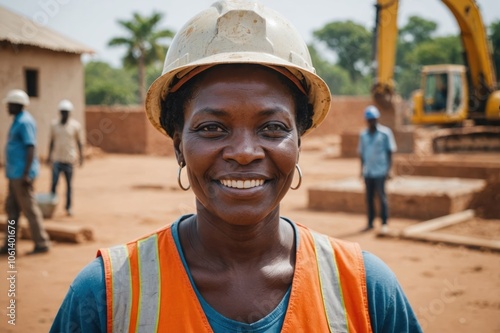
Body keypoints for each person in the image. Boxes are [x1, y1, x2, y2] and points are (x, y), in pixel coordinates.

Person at [50, 1, 422, 332]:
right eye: (212, 128)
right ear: (179, 146)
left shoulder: (366, 290)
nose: (244, 152)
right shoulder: (107, 297)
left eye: (272, 128)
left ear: (299, 143)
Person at [1, 89, 51, 255]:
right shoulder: (18, 120)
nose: (7, 107)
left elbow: (31, 147)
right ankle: (10, 244)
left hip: (21, 174)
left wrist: (26, 173)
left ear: (17, 105)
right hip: (14, 173)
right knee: (12, 209)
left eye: (9, 104)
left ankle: (42, 243)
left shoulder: (25, 122)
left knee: (29, 209)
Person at [358, 105, 397, 234]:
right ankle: (370, 223)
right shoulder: (363, 135)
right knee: (369, 198)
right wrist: (361, 171)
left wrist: (390, 170)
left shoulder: (385, 133)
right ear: (366, 120)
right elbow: (362, 154)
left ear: (377, 119)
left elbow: (390, 152)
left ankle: (384, 223)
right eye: (369, 120)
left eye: (373, 119)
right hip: (368, 172)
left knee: (382, 197)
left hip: (380, 171)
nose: (371, 122)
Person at [48, 99, 84, 216]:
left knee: (69, 186)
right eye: (63, 111)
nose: (64, 114)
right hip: (57, 160)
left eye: (66, 112)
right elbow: (51, 142)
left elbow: (79, 142)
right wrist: (49, 156)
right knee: (54, 183)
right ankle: (50, 206)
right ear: (60, 112)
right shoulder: (54, 125)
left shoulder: (75, 126)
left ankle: (68, 208)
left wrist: (81, 157)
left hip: (69, 160)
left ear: (70, 113)